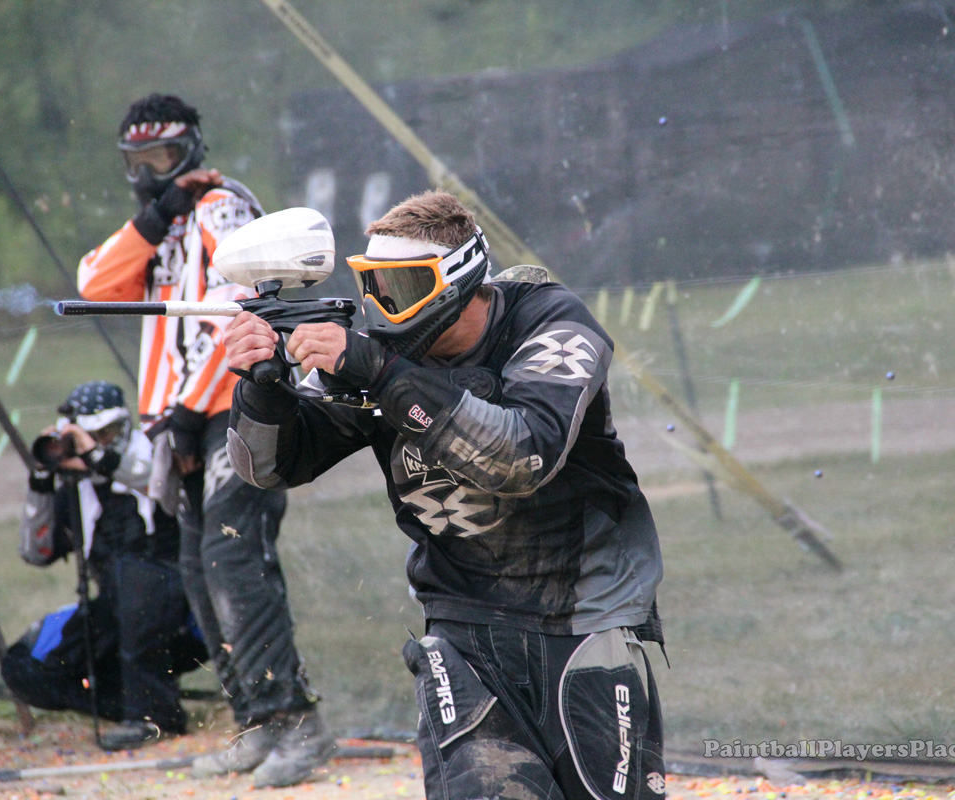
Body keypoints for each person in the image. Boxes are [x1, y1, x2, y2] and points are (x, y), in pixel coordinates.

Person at [223, 190, 668, 800]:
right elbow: (268, 467)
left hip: (585, 620)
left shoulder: (551, 324)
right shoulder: (382, 357)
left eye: (402, 288)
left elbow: (522, 458)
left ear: (456, 279)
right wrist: (264, 389)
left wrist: (384, 377)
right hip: (463, 631)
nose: (384, 307)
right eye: (375, 286)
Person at [76, 94, 332, 785]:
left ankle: (297, 724)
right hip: (181, 418)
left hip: (232, 407)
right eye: (136, 162)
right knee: (198, 568)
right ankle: (257, 722)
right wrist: (155, 217)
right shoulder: (161, 225)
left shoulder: (222, 206)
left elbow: (241, 306)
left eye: (160, 158)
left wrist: (190, 409)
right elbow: (94, 282)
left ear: (190, 150)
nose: (148, 173)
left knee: (233, 559)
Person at [4, 380, 207, 751]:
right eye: (86, 437)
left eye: (106, 434)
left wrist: (97, 456)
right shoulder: (76, 491)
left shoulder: (156, 456)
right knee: (24, 665)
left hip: (188, 618)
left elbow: (154, 481)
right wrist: (41, 479)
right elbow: (36, 553)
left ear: (125, 426)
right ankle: (137, 706)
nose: (96, 444)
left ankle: (152, 714)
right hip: (118, 615)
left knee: (135, 579)